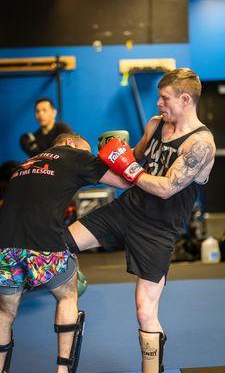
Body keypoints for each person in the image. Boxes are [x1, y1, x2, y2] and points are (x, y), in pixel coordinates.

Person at [68, 68, 216, 373]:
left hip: (159, 231)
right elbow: (131, 161)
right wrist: (114, 155)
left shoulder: (200, 145)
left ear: (186, 99)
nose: (158, 103)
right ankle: (69, 282)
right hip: (126, 210)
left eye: (164, 98)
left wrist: (132, 170)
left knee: (144, 310)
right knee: (62, 242)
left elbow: (167, 188)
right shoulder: (154, 124)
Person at [0, 132, 128, 373]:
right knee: (69, 293)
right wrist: (120, 154)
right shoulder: (75, 156)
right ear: (71, 143)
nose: (89, 155)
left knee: (5, 312)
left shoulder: (25, 164)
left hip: (4, 247)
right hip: (43, 247)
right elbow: (126, 182)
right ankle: (62, 370)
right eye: (86, 149)